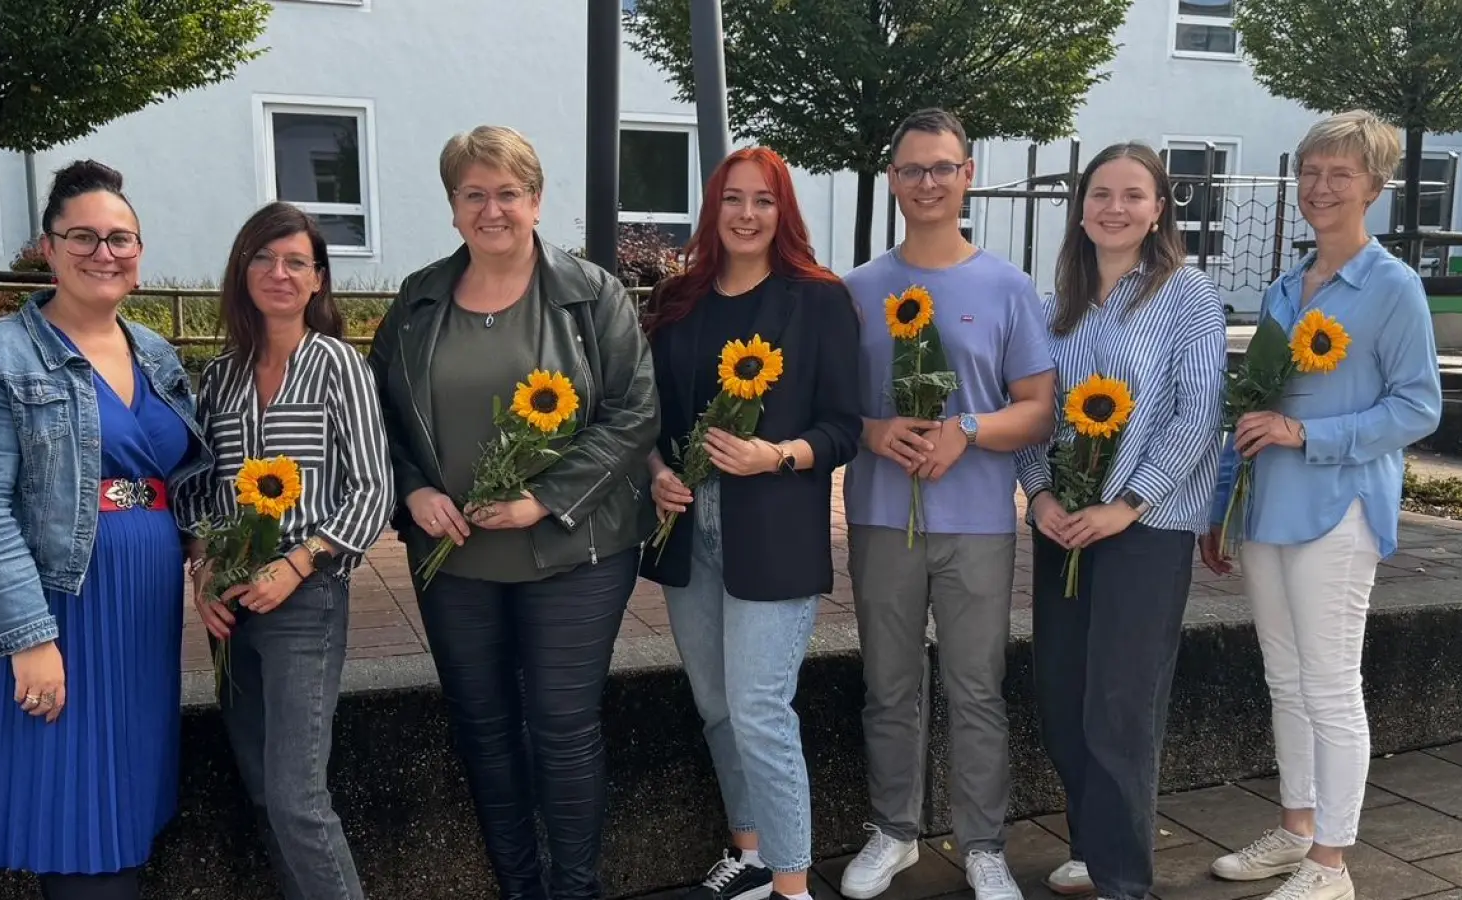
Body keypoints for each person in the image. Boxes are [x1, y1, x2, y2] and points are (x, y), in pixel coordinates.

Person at [367, 124, 658, 900]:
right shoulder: (420, 299)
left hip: (576, 553)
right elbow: (377, 418)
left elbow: (634, 413)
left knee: (562, 730)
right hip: (454, 560)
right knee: (484, 734)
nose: (490, 209)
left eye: (506, 192)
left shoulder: (592, 295)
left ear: (534, 199)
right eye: (473, 194)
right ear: (453, 206)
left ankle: (575, 890)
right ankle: (519, 887)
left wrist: (547, 499)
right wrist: (411, 490)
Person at [0, 160, 203, 900]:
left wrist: (214, 555)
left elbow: (183, 474)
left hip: (139, 609)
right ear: (47, 247)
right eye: (83, 236)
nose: (103, 253)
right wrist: (29, 638)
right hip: (55, 607)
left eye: (121, 238)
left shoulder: (156, 352)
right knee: (75, 820)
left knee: (124, 803)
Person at [1199, 110, 1442, 900]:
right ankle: (1297, 829)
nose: (1320, 187)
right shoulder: (1281, 286)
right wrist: (1223, 505)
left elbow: (1417, 408)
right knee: (1286, 679)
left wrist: (1309, 433)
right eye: (1310, 171)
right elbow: (1254, 405)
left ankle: (1331, 865)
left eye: (1340, 174)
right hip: (1268, 509)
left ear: (1375, 186)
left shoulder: (1393, 287)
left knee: (1333, 684)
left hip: (1338, 508)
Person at [838, 107, 1056, 900]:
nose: (927, 183)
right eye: (911, 170)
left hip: (977, 524)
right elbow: (832, 409)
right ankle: (894, 831)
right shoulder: (858, 289)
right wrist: (873, 429)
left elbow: (1039, 407)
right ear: (892, 181)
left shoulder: (1007, 286)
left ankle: (984, 843)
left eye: (942, 168)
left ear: (967, 175)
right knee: (888, 683)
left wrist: (968, 428)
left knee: (976, 688)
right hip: (880, 518)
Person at [639, 146, 862, 900]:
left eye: (763, 201)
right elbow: (650, 420)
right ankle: (753, 856)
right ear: (713, 208)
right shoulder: (677, 302)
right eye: (732, 199)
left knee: (761, 709)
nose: (745, 214)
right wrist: (657, 474)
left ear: (783, 211)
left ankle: (795, 888)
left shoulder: (818, 299)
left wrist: (780, 455)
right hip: (688, 529)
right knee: (717, 707)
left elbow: (846, 426)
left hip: (773, 526)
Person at [1014, 142, 1227, 900]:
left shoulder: (1188, 296)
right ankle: (1093, 840)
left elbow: (1196, 416)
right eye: (1100, 193)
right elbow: (1035, 415)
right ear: (1080, 207)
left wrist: (1126, 503)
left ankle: (1124, 880)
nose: (1114, 207)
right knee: (1062, 695)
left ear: (1160, 208)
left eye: (1133, 195)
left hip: (1148, 526)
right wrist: (1040, 498)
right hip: (1064, 527)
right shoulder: (1053, 306)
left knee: (1121, 704)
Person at [174, 201, 394, 900]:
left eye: (296, 261)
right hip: (233, 608)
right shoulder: (222, 376)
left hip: (305, 598)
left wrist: (298, 562)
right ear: (242, 271)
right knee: (264, 792)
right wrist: (203, 575)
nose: (279, 272)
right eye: (264, 258)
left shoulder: (337, 367)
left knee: (299, 798)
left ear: (319, 280)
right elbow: (207, 490)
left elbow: (372, 489)